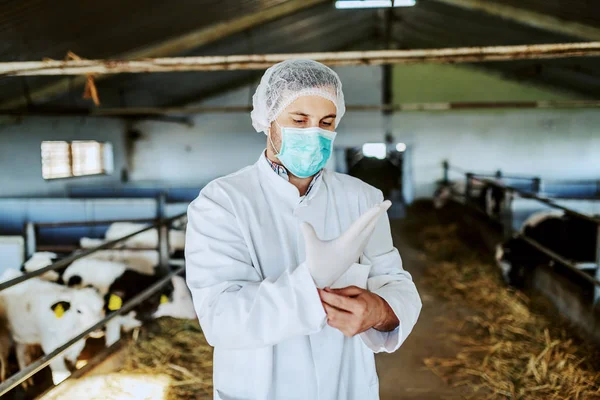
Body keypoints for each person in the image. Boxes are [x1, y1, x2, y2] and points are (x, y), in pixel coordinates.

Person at [185, 59, 422, 400]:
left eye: (326, 122)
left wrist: (381, 311)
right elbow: (221, 317)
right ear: (268, 120)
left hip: (347, 385)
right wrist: (308, 283)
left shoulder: (363, 198)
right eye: (299, 120)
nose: (314, 133)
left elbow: (396, 282)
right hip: (260, 388)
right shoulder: (221, 202)